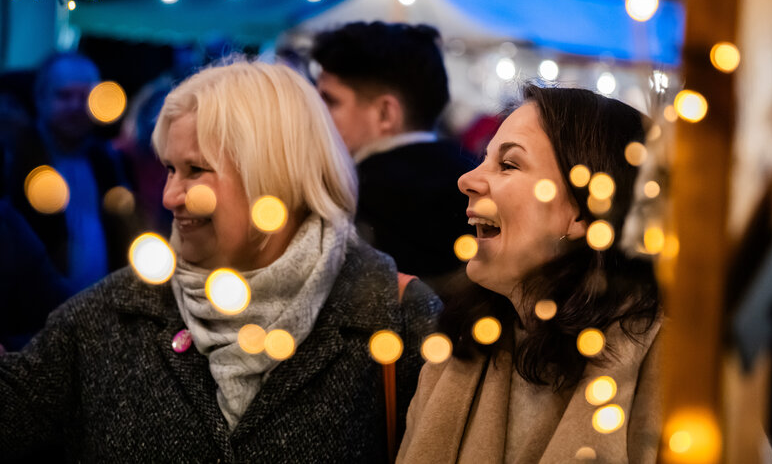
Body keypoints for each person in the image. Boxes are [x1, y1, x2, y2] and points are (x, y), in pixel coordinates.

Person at [0, 60, 441, 462]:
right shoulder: (111, 314)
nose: (170, 196)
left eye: (195, 170)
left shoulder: (394, 314)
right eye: (170, 169)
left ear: (274, 174)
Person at [397, 85, 662, 463]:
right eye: (485, 158)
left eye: (508, 165)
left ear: (583, 213)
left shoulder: (675, 365)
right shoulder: (461, 346)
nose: (467, 180)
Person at [311, 22, 474, 295]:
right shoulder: (473, 182)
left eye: (330, 101)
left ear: (386, 113)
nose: (315, 113)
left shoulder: (348, 196)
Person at [6, 52, 131, 295]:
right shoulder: (15, 159)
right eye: (64, 96)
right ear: (40, 99)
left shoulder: (108, 161)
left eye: (85, 97)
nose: (76, 106)